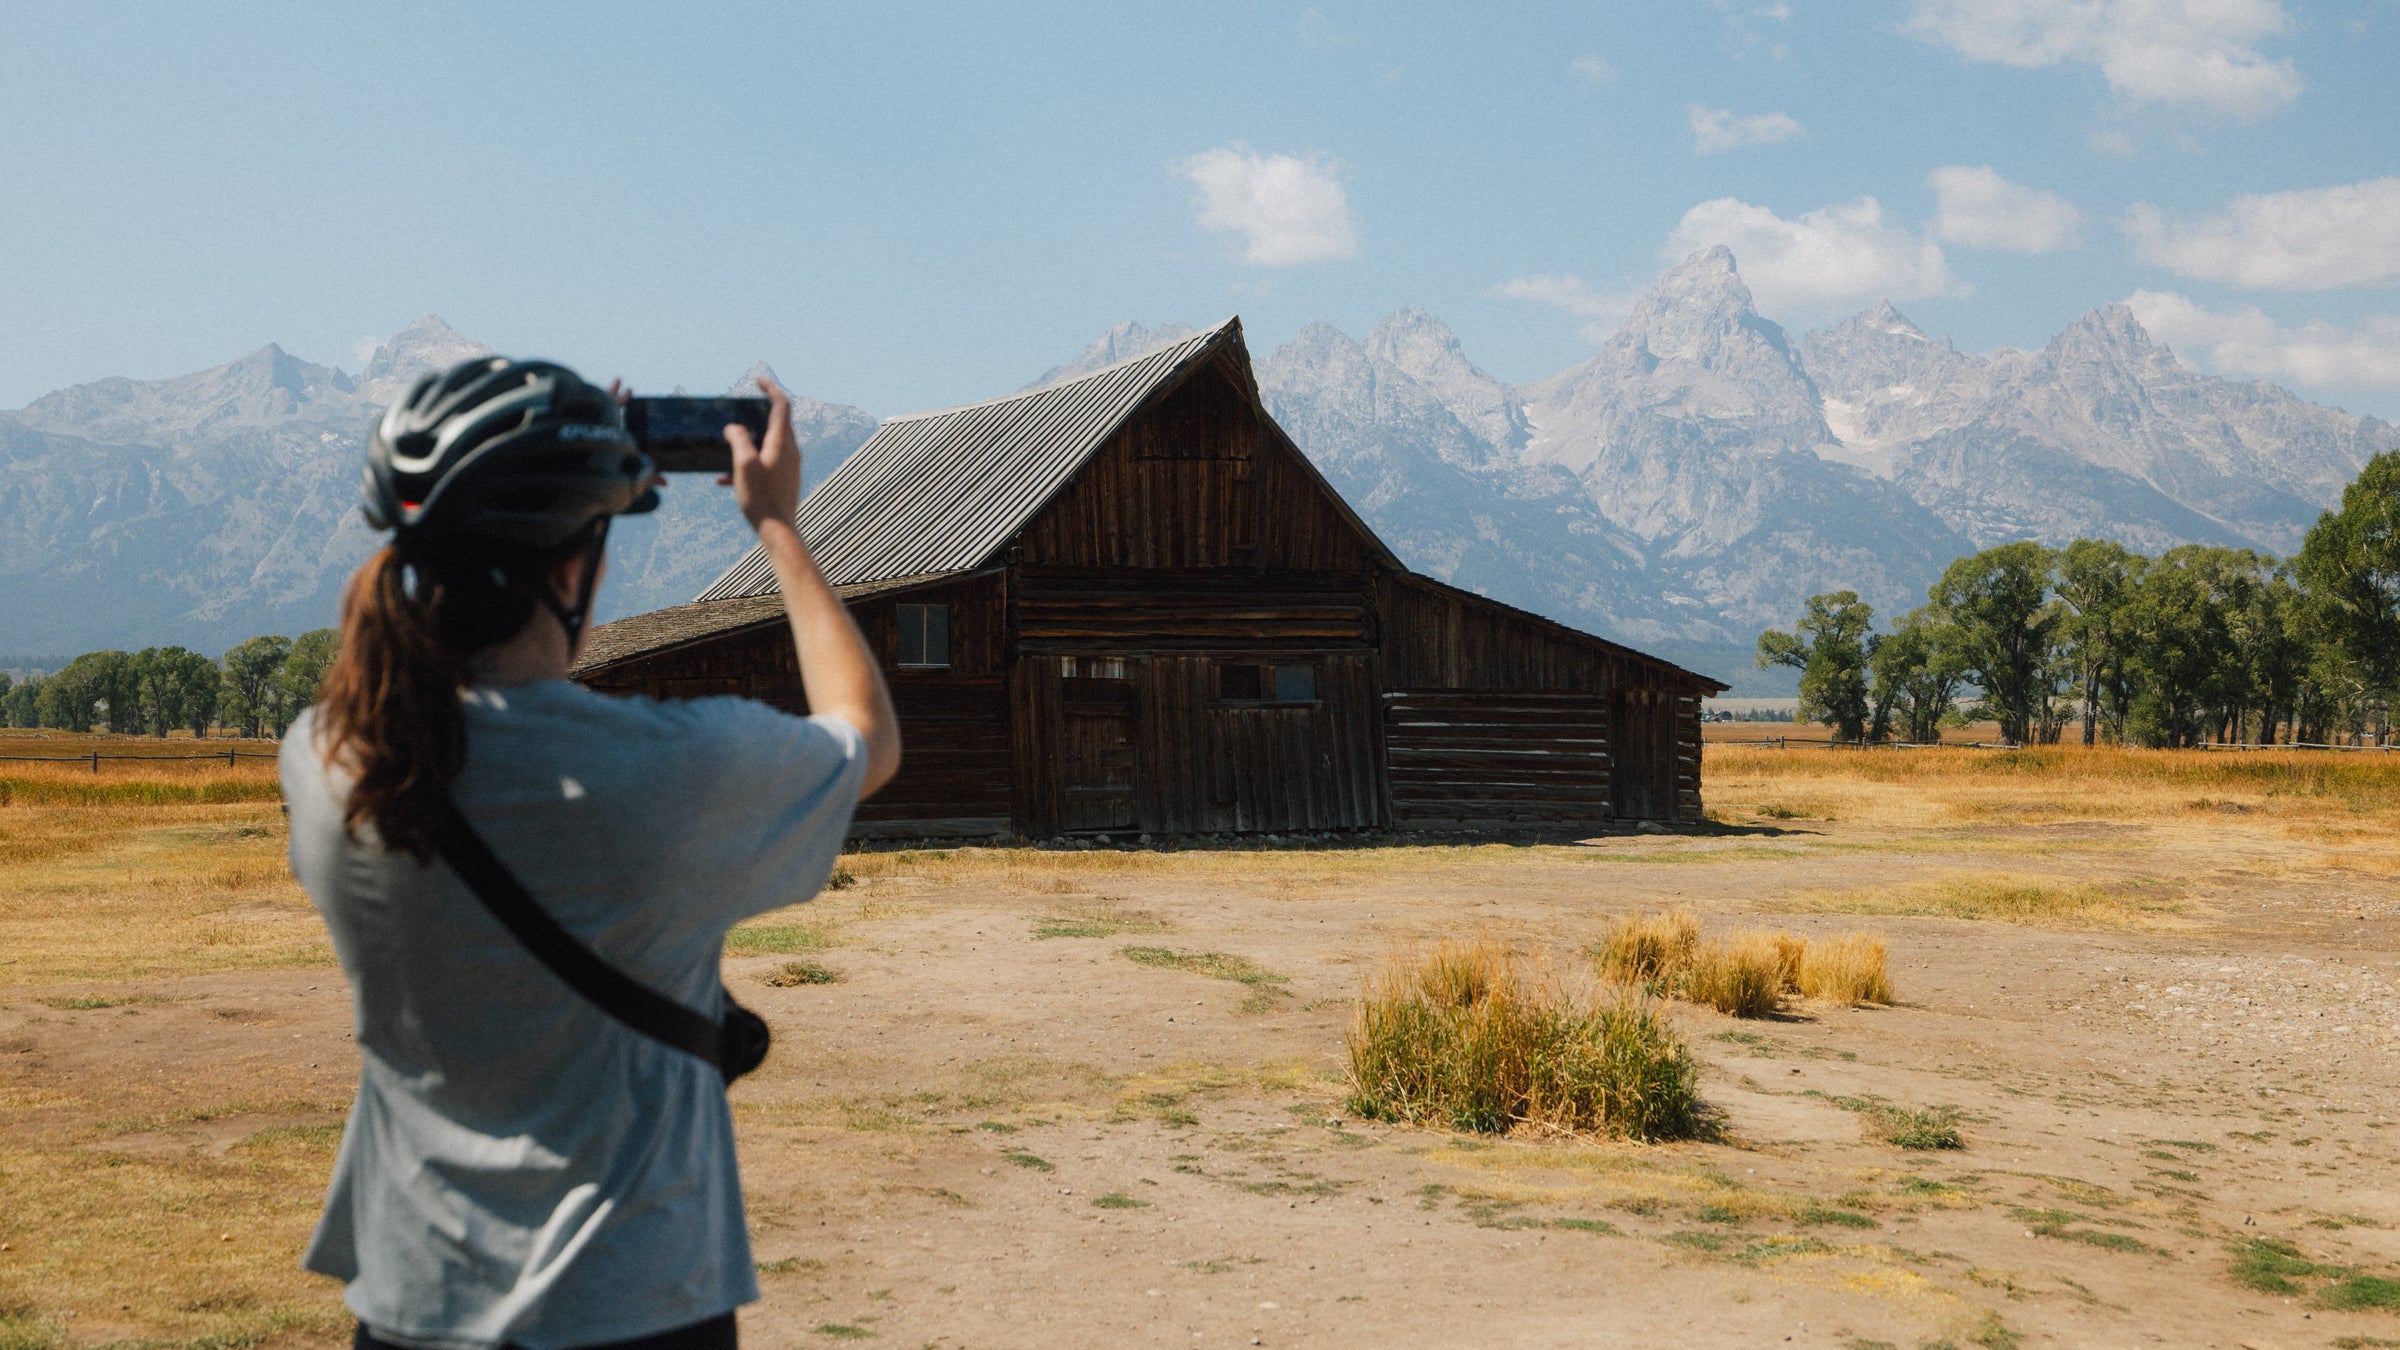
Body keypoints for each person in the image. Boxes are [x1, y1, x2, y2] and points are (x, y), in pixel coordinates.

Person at [281, 356, 899, 1350]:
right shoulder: (662, 773)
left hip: (409, 1303)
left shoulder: (327, 760)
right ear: (572, 570)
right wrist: (778, 524)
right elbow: (865, 733)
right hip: (635, 1301)